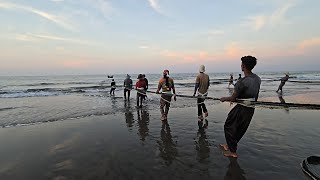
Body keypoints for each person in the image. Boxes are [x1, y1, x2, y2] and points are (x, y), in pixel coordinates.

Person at [220, 55, 261, 158]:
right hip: (251, 107)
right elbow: (256, 95)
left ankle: (232, 152)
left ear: (243, 66)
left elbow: (233, 98)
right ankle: (229, 145)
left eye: (242, 64)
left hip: (242, 107)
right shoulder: (257, 79)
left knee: (228, 125)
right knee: (240, 128)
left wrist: (224, 98)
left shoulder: (241, 82)